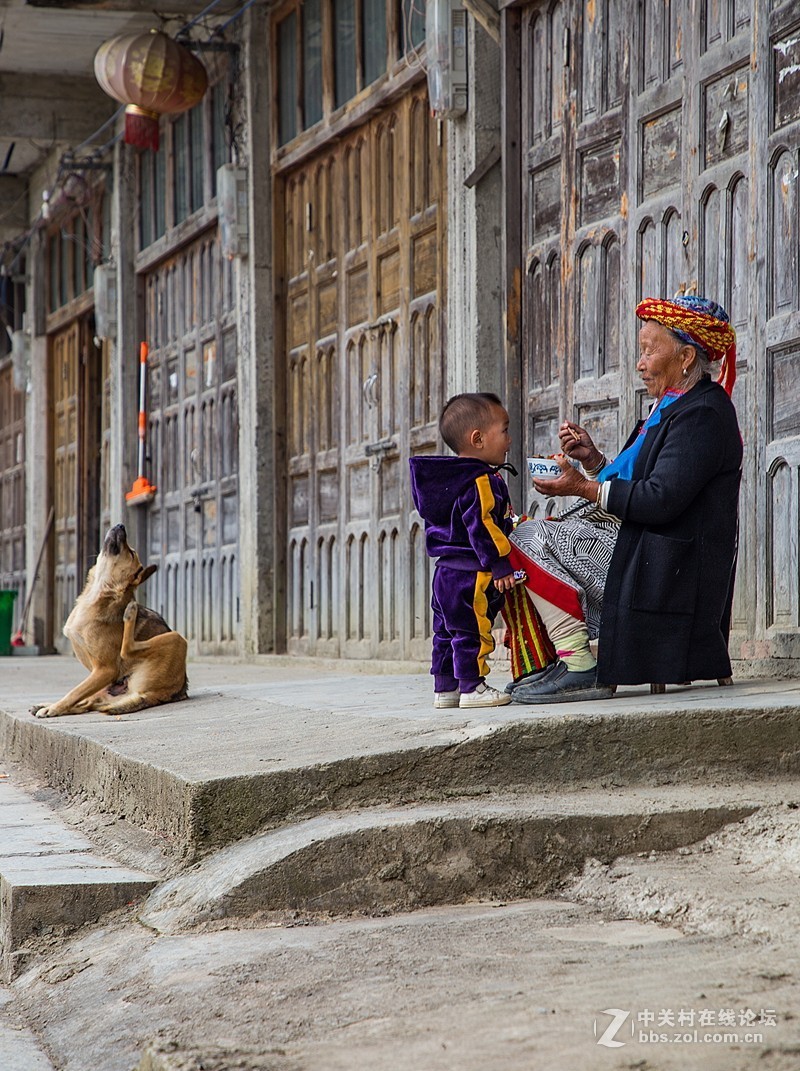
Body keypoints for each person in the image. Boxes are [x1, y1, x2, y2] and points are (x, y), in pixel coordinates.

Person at [508, 295, 742, 703]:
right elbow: (643, 481)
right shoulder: (671, 407)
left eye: (650, 350)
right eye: (641, 351)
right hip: (655, 558)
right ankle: (569, 656)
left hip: (671, 574)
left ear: (686, 357)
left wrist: (580, 487)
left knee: (528, 540)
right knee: (531, 530)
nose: (640, 362)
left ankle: (579, 663)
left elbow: (659, 499)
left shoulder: (703, 414)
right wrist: (594, 461)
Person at [409, 392, 520, 708]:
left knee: (446, 633)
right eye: (505, 430)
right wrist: (500, 564)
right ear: (478, 439)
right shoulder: (480, 479)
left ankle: (446, 690)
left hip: (444, 573)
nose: (509, 439)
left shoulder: (448, 479)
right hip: (471, 574)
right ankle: (473, 687)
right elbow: (481, 526)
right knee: (472, 630)